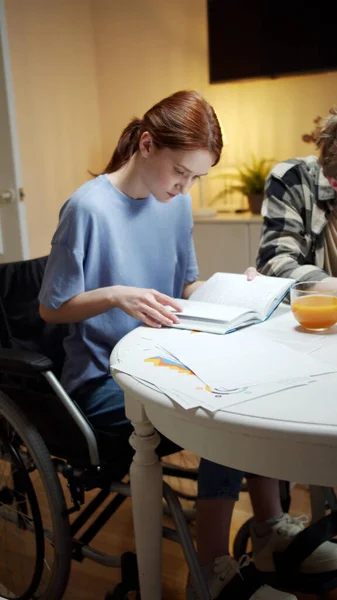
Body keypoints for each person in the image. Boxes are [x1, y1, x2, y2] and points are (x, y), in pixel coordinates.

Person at [39, 89, 305, 600]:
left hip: (167, 362)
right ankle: (211, 569)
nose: (187, 188)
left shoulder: (175, 205)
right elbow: (52, 308)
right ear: (145, 145)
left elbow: (186, 287)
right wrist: (115, 295)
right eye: (182, 172)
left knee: (252, 391)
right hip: (103, 381)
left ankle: (269, 529)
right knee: (221, 416)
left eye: (197, 178)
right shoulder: (88, 208)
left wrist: (238, 291)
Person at [257, 106, 337, 285]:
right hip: (317, 309)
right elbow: (274, 265)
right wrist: (329, 287)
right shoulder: (293, 179)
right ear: (333, 183)